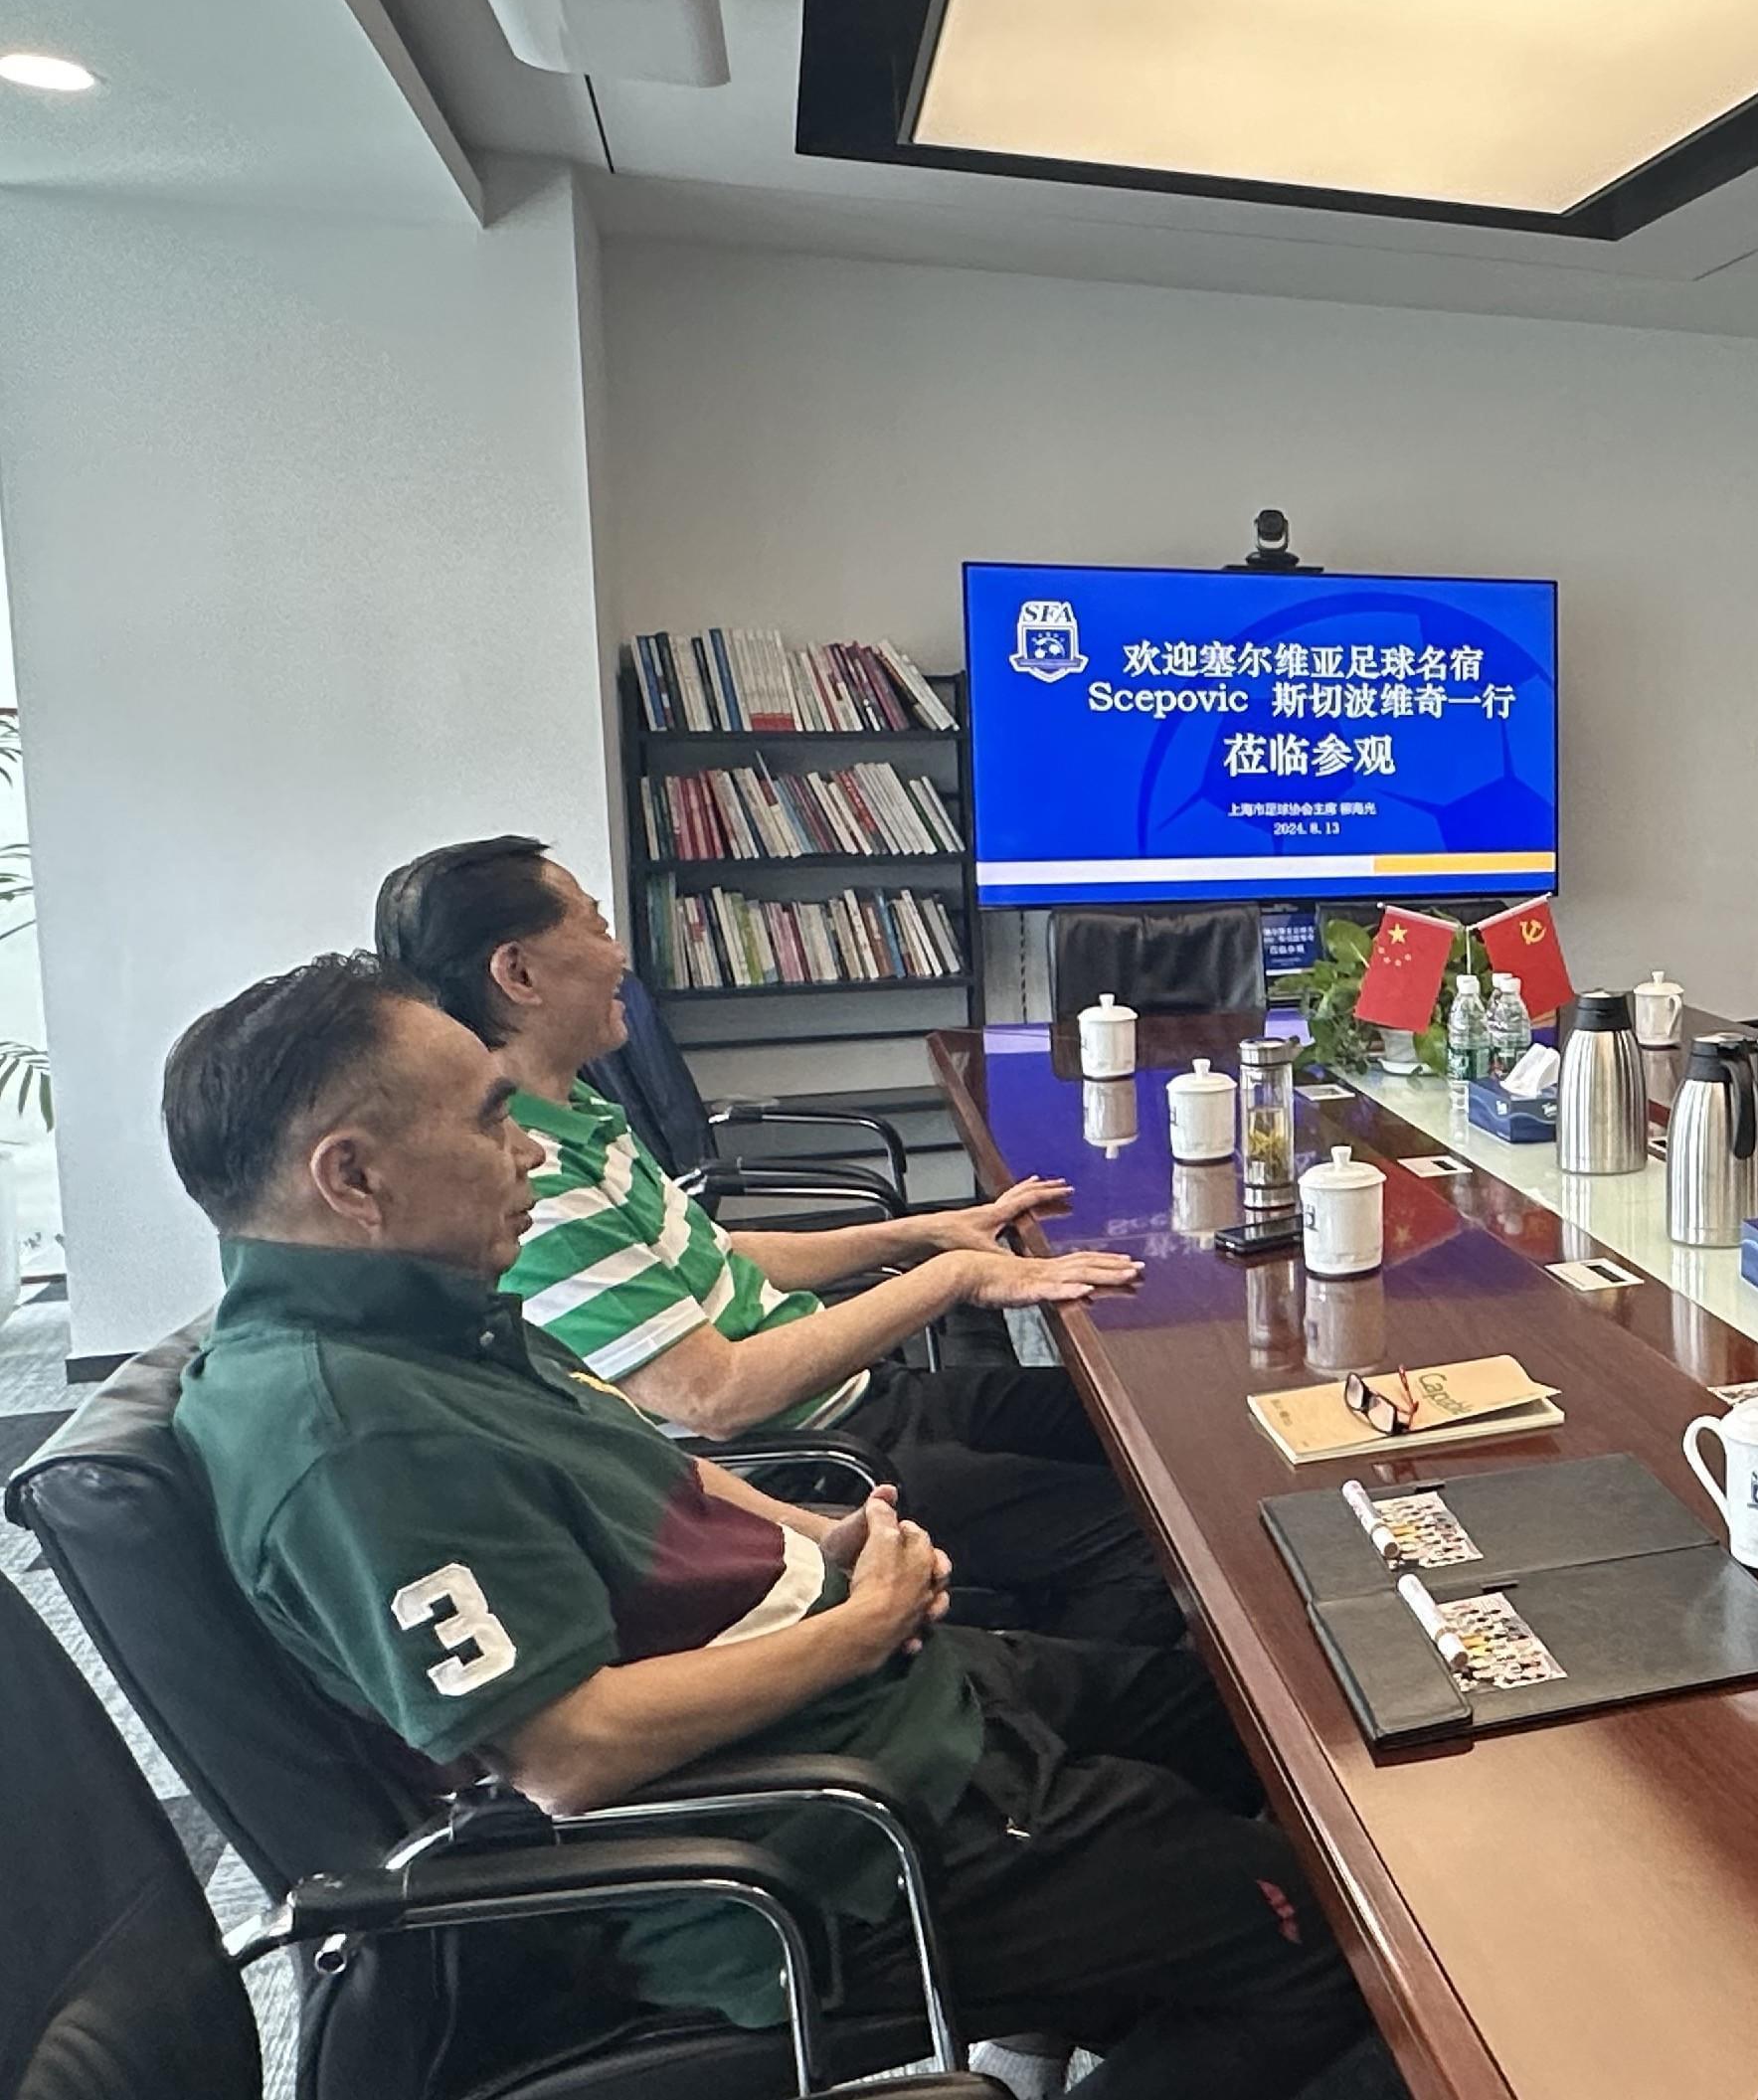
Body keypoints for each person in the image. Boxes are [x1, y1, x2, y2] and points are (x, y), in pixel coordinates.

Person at [163, 955, 1388, 2100]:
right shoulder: (356, 1434)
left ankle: (1124, 1957)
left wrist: (828, 1537)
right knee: (1347, 1948)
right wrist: (859, 1629)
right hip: (829, 1841)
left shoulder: (430, 1317)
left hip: (891, 1706)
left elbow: (662, 1477)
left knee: (1247, 1719)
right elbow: (567, 1752)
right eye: (488, 1121)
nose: (525, 1149)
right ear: (352, 1178)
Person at [376, 837, 1175, 1646]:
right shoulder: (534, 1178)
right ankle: (1057, 1687)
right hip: (814, 1463)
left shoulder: (570, 1106)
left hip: (857, 1396)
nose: (619, 956)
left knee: (1137, 1425)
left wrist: (923, 1233)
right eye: (597, 926)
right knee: (1152, 1540)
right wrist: (950, 1278)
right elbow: (717, 1399)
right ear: (518, 974)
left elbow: (717, 1259)